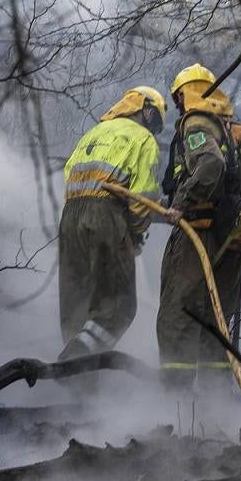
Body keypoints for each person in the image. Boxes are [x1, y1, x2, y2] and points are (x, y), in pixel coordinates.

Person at [157, 64, 241, 393]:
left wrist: (181, 203)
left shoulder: (197, 122)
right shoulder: (231, 129)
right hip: (232, 235)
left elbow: (210, 165)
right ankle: (217, 402)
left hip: (200, 231)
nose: (178, 106)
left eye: (178, 98)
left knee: (179, 311)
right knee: (217, 319)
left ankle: (174, 399)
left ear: (187, 94)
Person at [58, 85, 166, 361]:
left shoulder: (94, 133)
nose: (155, 130)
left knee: (77, 304)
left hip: (70, 218)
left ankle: (79, 387)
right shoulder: (144, 140)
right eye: (156, 122)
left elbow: (69, 171)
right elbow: (143, 196)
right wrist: (135, 234)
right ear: (147, 110)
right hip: (106, 215)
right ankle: (75, 358)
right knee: (118, 307)